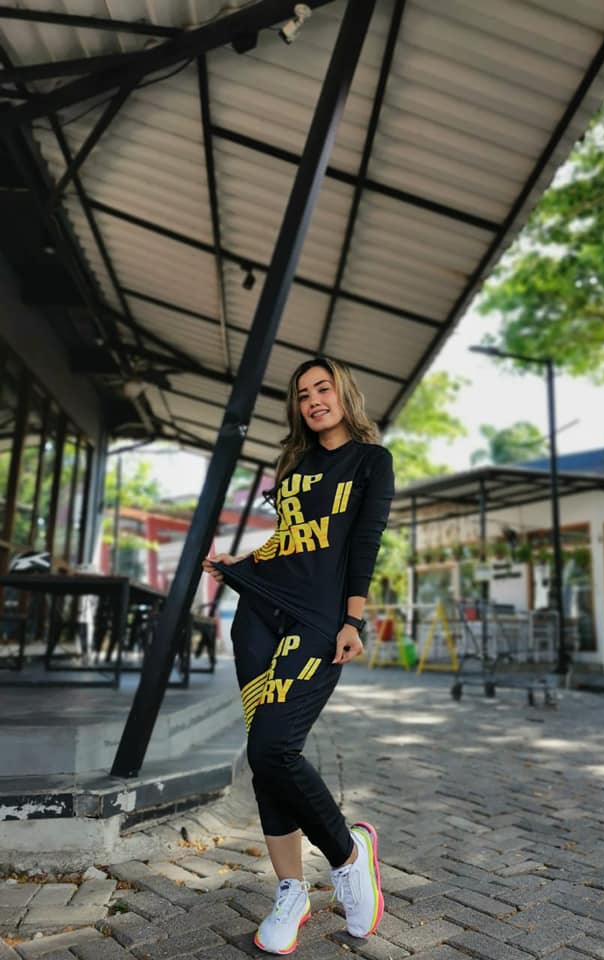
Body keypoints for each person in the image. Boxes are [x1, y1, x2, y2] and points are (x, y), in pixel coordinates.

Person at [202, 356, 394, 955]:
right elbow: (289, 541)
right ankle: (291, 891)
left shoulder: (371, 461)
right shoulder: (296, 466)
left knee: (273, 747)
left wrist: (352, 619)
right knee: (264, 760)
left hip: (317, 620)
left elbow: (363, 541)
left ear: (344, 394)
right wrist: (241, 562)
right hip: (260, 615)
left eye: (322, 388)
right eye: (303, 394)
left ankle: (347, 855)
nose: (313, 400)